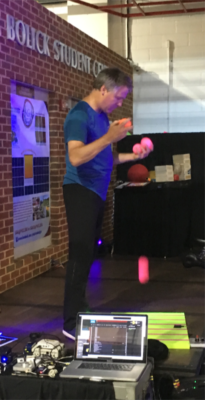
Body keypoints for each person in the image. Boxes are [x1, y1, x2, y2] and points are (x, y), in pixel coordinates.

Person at [62, 67, 152, 340]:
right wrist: (108, 138)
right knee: (79, 254)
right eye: (119, 96)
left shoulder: (102, 118)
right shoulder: (79, 115)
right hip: (80, 190)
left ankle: (80, 308)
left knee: (88, 254)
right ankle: (70, 322)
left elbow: (104, 159)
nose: (120, 102)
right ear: (103, 89)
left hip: (96, 193)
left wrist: (132, 157)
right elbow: (76, 157)